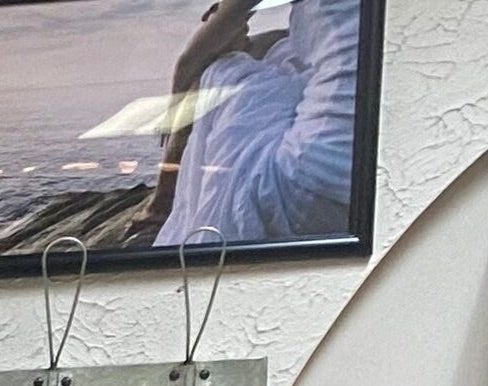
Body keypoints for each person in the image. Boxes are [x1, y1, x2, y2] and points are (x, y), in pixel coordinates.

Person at [150, 0, 368, 248]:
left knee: (218, 68)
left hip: (306, 180)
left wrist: (173, 112)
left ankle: (162, 199)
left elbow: (189, 62)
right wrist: (239, 37)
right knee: (277, 53)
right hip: (362, 181)